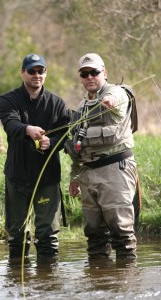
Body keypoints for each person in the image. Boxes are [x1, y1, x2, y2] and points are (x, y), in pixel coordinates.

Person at [65, 53, 138, 260]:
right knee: (94, 235)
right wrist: (74, 176)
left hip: (115, 170)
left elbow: (118, 103)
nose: (90, 77)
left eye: (94, 72)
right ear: (80, 77)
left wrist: (109, 102)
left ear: (104, 73)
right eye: (84, 73)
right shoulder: (80, 107)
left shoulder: (116, 92)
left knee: (121, 232)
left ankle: (126, 286)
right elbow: (78, 146)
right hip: (88, 173)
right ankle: (99, 283)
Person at [0, 53, 69, 260]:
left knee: (47, 235)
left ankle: (46, 284)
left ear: (45, 73)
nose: (37, 75)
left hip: (47, 178)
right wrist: (28, 129)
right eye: (32, 71)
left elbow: (64, 136)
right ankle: (17, 280)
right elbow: (10, 124)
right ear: (23, 73)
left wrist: (52, 143)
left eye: (41, 71)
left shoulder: (57, 103)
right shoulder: (8, 100)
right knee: (17, 234)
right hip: (17, 176)